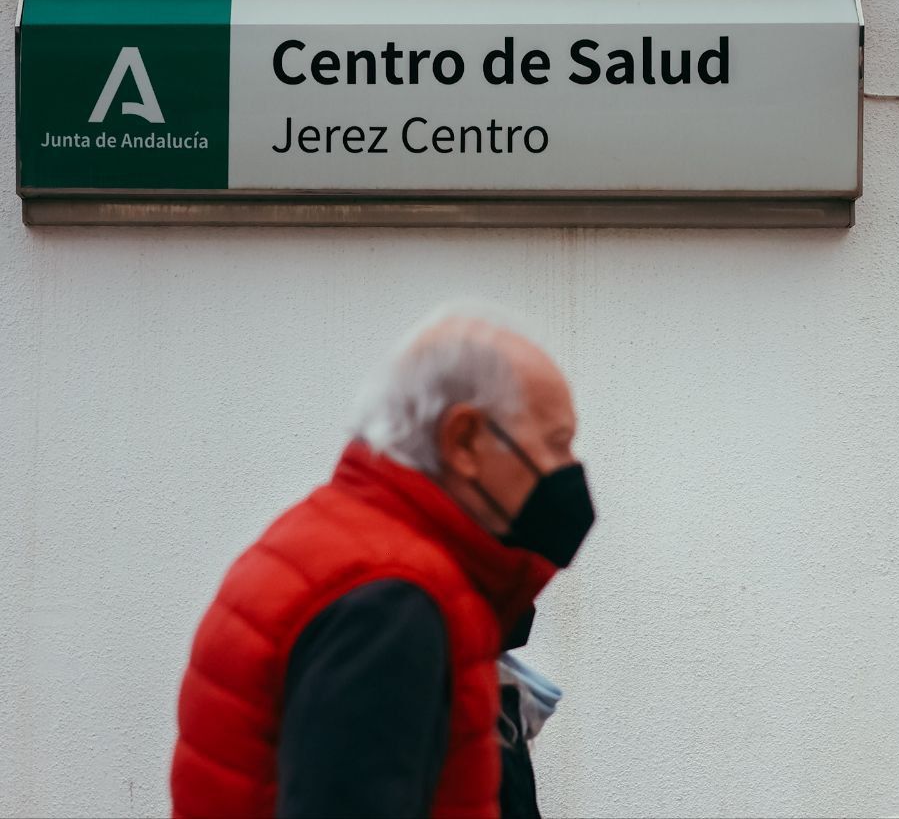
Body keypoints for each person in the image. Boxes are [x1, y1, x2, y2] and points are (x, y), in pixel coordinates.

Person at [170, 306, 596, 818]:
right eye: (556, 443)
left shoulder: (341, 545)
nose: (569, 470)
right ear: (463, 440)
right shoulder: (392, 603)